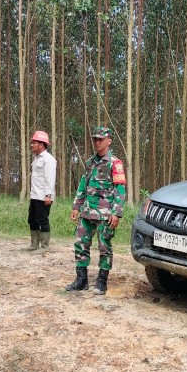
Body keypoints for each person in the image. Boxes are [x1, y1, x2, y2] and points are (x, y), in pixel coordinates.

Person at [66, 126, 126, 295]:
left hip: (106, 213)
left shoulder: (115, 163)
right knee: (80, 243)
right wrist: (76, 206)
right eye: (95, 139)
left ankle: (101, 281)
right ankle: (81, 279)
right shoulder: (89, 162)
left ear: (109, 141)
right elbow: (83, 185)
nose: (97, 142)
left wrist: (116, 212)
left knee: (104, 246)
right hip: (87, 211)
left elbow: (120, 189)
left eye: (100, 139)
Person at [27, 130, 57, 254]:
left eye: (34, 143)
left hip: (43, 196)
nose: (32, 145)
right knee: (32, 219)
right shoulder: (36, 158)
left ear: (41, 144)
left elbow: (50, 178)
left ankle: (44, 247)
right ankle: (34, 244)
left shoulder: (49, 159)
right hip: (35, 195)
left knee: (42, 220)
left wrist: (48, 195)